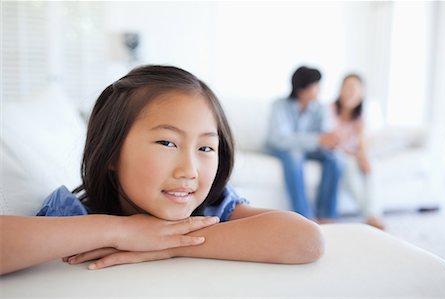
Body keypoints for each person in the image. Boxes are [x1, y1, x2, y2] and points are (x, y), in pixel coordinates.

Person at [0, 65, 324, 275]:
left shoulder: (212, 210)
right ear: (111, 151)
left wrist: (165, 244)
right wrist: (121, 232)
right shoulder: (76, 215)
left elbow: (306, 239)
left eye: (206, 148)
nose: (190, 170)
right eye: (168, 143)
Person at [266, 66, 342, 222]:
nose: (320, 90)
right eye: (316, 85)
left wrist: (329, 141)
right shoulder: (279, 105)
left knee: (336, 159)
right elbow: (281, 139)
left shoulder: (321, 108)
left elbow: (325, 135)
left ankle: (326, 215)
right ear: (302, 88)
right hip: (281, 149)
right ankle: (304, 217)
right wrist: (317, 139)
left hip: (310, 150)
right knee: (295, 155)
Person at [331, 74, 385, 230]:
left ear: (361, 93)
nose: (349, 92)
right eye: (346, 87)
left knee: (370, 165)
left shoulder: (361, 117)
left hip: (353, 154)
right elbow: (331, 140)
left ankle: (373, 213)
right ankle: (369, 215)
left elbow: (361, 145)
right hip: (337, 155)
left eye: (353, 89)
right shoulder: (329, 111)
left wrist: (363, 157)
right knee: (347, 165)